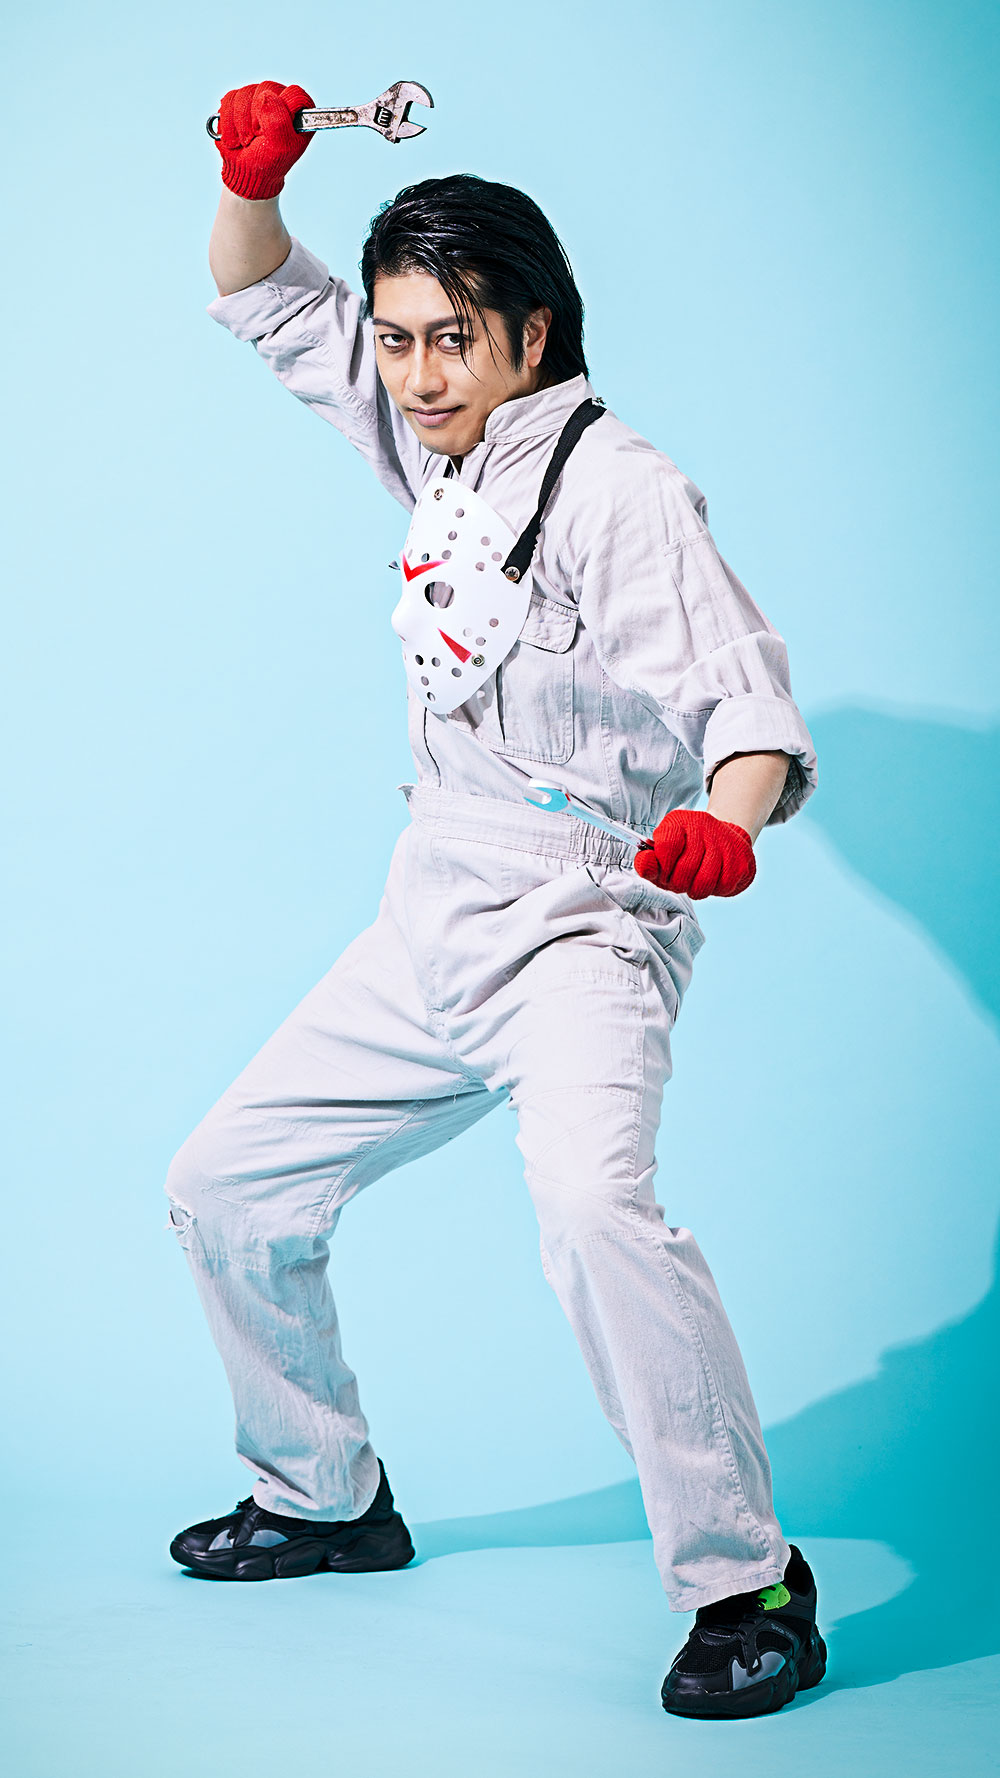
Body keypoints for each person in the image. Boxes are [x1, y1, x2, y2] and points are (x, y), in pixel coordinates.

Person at [166, 79, 826, 1721]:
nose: (414, 371)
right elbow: (269, 297)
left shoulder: (621, 486)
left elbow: (748, 711)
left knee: (596, 1213)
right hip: (434, 905)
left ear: (532, 331)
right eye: (398, 339)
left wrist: (724, 824)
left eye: (450, 338)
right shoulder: (433, 437)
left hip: (585, 923)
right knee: (226, 1183)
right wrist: (252, 182)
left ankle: (746, 1578)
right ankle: (324, 1492)